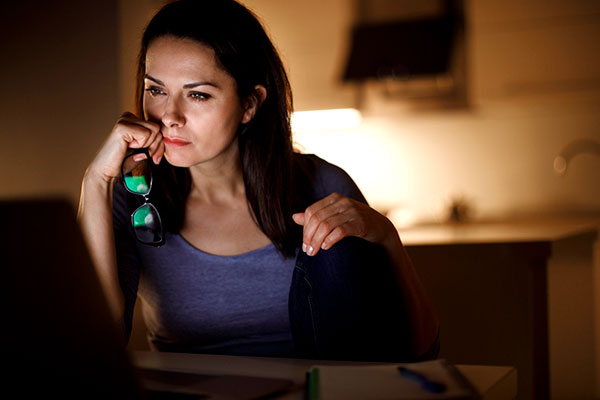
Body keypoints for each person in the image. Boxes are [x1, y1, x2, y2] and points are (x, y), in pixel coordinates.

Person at [78, 0, 439, 362]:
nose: (169, 116)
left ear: (249, 104)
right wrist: (96, 181)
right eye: (156, 90)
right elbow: (91, 346)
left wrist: (386, 236)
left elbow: (418, 348)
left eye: (198, 95)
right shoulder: (134, 197)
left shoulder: (322, 183)